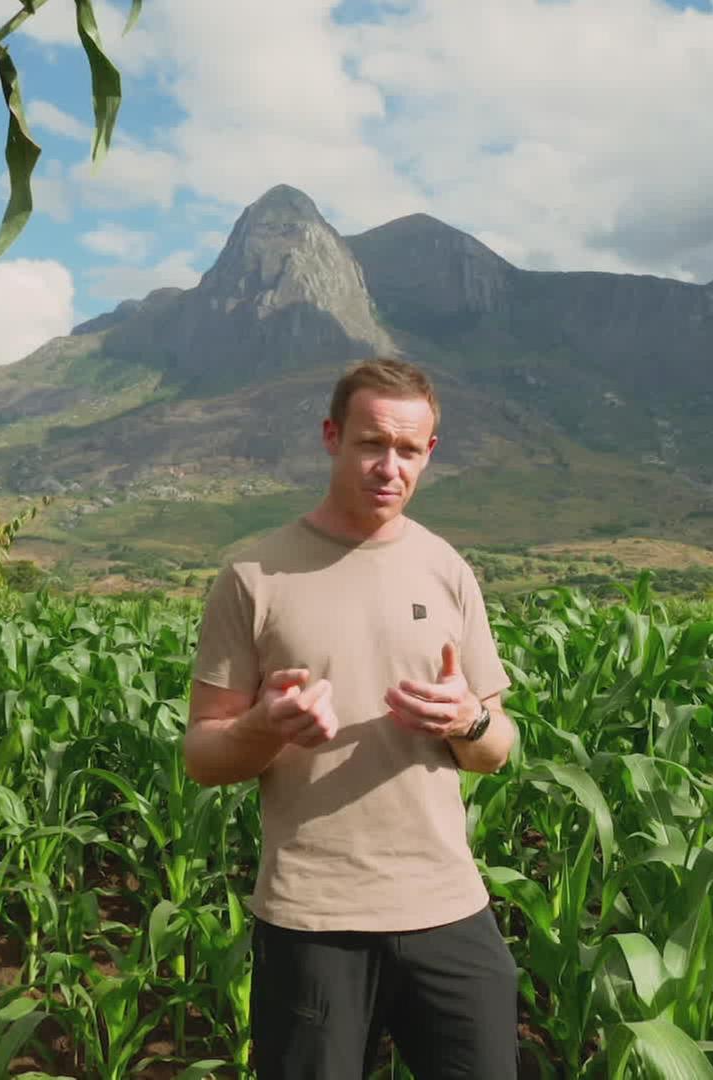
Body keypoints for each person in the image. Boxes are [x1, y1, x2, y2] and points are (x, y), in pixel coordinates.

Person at [182, 357, 521, 1079]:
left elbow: (497, 747)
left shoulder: (447, 569)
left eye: (407, 450)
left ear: (430, 453)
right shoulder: (255, 578)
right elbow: (203, 756)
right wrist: (265, 727)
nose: (388, 467)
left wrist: (468, 721)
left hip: (447, 907)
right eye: (372, 443)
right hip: (315, 917)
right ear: (332, 437)